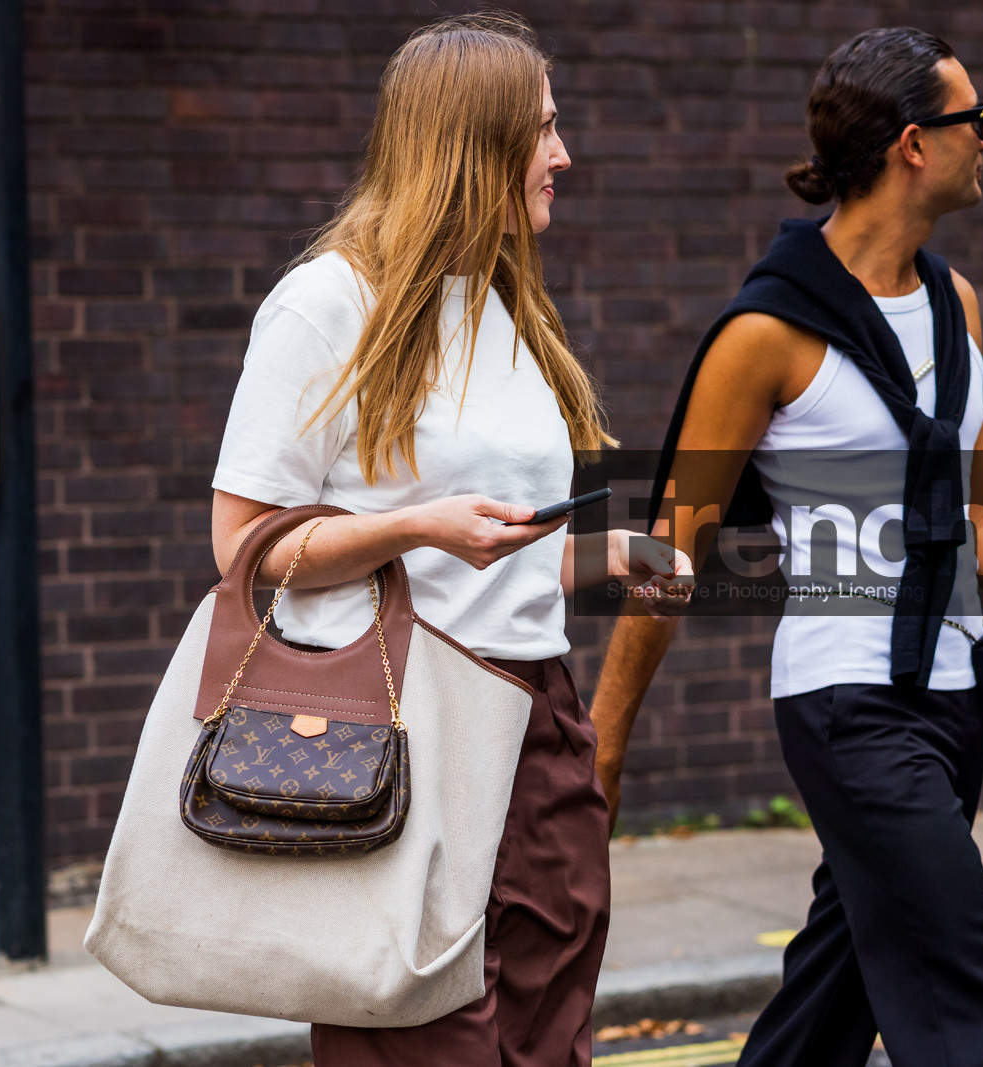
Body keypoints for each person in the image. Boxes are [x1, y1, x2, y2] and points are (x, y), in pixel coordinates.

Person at [588, 27, 983, 1067]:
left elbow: (979, 525)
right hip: (849, 708)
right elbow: (671, 547)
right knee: (980, 1007)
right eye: (982, 121)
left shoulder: (953, 305)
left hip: (951, 701)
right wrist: (602, 746)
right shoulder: (766, 334)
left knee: (831, 1004)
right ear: (914, 144)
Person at [207, 14, 685, 1066]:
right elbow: (242, 543)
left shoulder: (511, 307)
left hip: (538, 718)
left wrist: (606, 558)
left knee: (550, 1022)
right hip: (401, 721)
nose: (564, 155)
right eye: (543, 131)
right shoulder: (330, 303)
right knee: (424, 1040)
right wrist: (413, 527)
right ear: (473, 143)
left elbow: (499, 544)